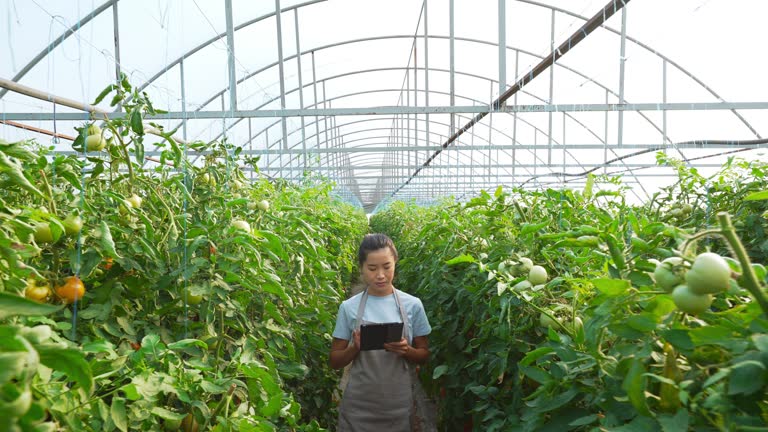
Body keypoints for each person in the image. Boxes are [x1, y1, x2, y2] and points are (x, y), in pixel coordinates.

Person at [329, 233, 432, 431]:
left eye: (387, 266)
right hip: (358, 407)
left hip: (398, 406)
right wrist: (354, 348)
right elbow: (334, 361)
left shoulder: (413, 305)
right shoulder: (349, 307)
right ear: (361, 269)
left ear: (395, 264)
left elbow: (424, 355)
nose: (381, 275)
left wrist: (406, 350)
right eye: (372, 268)